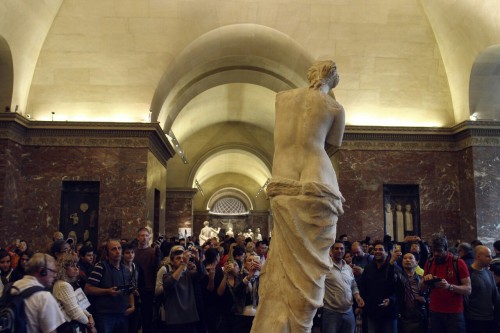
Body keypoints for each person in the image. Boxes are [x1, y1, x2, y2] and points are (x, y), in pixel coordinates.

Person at [252, 60, 345, 332]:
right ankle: (296, 326)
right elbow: (330, 145)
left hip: (282, 181)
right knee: (309, 275)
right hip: (318, 181)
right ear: (333, 80)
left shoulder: (283, 99)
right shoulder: (335, 107)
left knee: (281, 262)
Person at [422, 234, 471, 333]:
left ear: (446, 249)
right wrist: (426, 281)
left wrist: (449, 287)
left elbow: (468, 289)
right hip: (435, 311)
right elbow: (422, 288)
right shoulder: (430, 262)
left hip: (454, 313)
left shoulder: (458, 263)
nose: (435, 254)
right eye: (433, 251)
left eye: (439, 251)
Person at [85, 239, 135, 333]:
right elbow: (88, 288)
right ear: (107, 252)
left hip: (122, 314)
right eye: (113, 249)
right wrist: (107, 291)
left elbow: (130, 289)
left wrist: (132, 305)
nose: (117, 251)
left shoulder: (125, 269)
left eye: (119, 248)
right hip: (105, 315)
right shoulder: (101, 266)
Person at [11, 253, 66, 333]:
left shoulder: (14, 286)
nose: (55, 275)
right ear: (42, 271)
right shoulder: (44, 297)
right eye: (53, 271)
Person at [322, 240, 364, 333]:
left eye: (341, 248)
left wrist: (357, 297)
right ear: (331, 251)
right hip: (331, 313)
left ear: (344, 251)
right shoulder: (325, 267)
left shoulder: (348, 268)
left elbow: (353, 285)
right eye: (336, 248)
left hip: (349, 312)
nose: (339, 250)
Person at [162, 245, 205, 333]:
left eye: (183, 258)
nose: (181, 260)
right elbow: (170, 283)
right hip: (175, 320)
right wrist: (183, 264)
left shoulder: (188, 274)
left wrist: (197, 258)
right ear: (172, 262)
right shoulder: (166, 275)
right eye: (178, 258)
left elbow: (202, 274)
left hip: (190, 318)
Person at [358, 240, 397, 333]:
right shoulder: (368, 268)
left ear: (386, 252)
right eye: (375, 249)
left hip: (389, 312)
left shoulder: (393, 267)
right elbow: (363, 286)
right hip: (372, 312)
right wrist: (364, 301)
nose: (377, 251)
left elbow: (398, 289)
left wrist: (391, 299)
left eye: (380, 249)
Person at [53, 252, 96, 333]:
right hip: (67, 327)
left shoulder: (66, 283)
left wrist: (89, 316)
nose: (76, 269)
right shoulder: (63, 285)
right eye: (72, 266)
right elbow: (74, 312)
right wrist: (90, 325)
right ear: (64, 268)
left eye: (77, 266)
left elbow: (77, 305)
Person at [389, 249, 427, 333]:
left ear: (417, 262)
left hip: (419, 316)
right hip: (403, 316)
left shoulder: (421, 279)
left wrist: (424, 299)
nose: (407, 260)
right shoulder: (397, 277)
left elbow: (429, 296)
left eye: (410, 258)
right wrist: (392, 261)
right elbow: (389, 275)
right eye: (405, 258)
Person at [465, 245, 500, 333]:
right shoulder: (469, 273)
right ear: (478, 256)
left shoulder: (488, 273)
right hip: (474, 319)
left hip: (490, 318)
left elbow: (495, 296)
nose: (491, 259)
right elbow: (465, 298)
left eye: (491, 256)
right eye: (488, 256)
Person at [134, 227, 161, 333]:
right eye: (142, 235)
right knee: (135, 317)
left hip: (148, 287)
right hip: (135, 287)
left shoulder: (153, 251)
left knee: (147, 317)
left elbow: (157, 268)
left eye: (146, 235)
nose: (144, 238)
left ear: (149, 237)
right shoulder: (134, 252)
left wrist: (158, 254)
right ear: (137, 237)